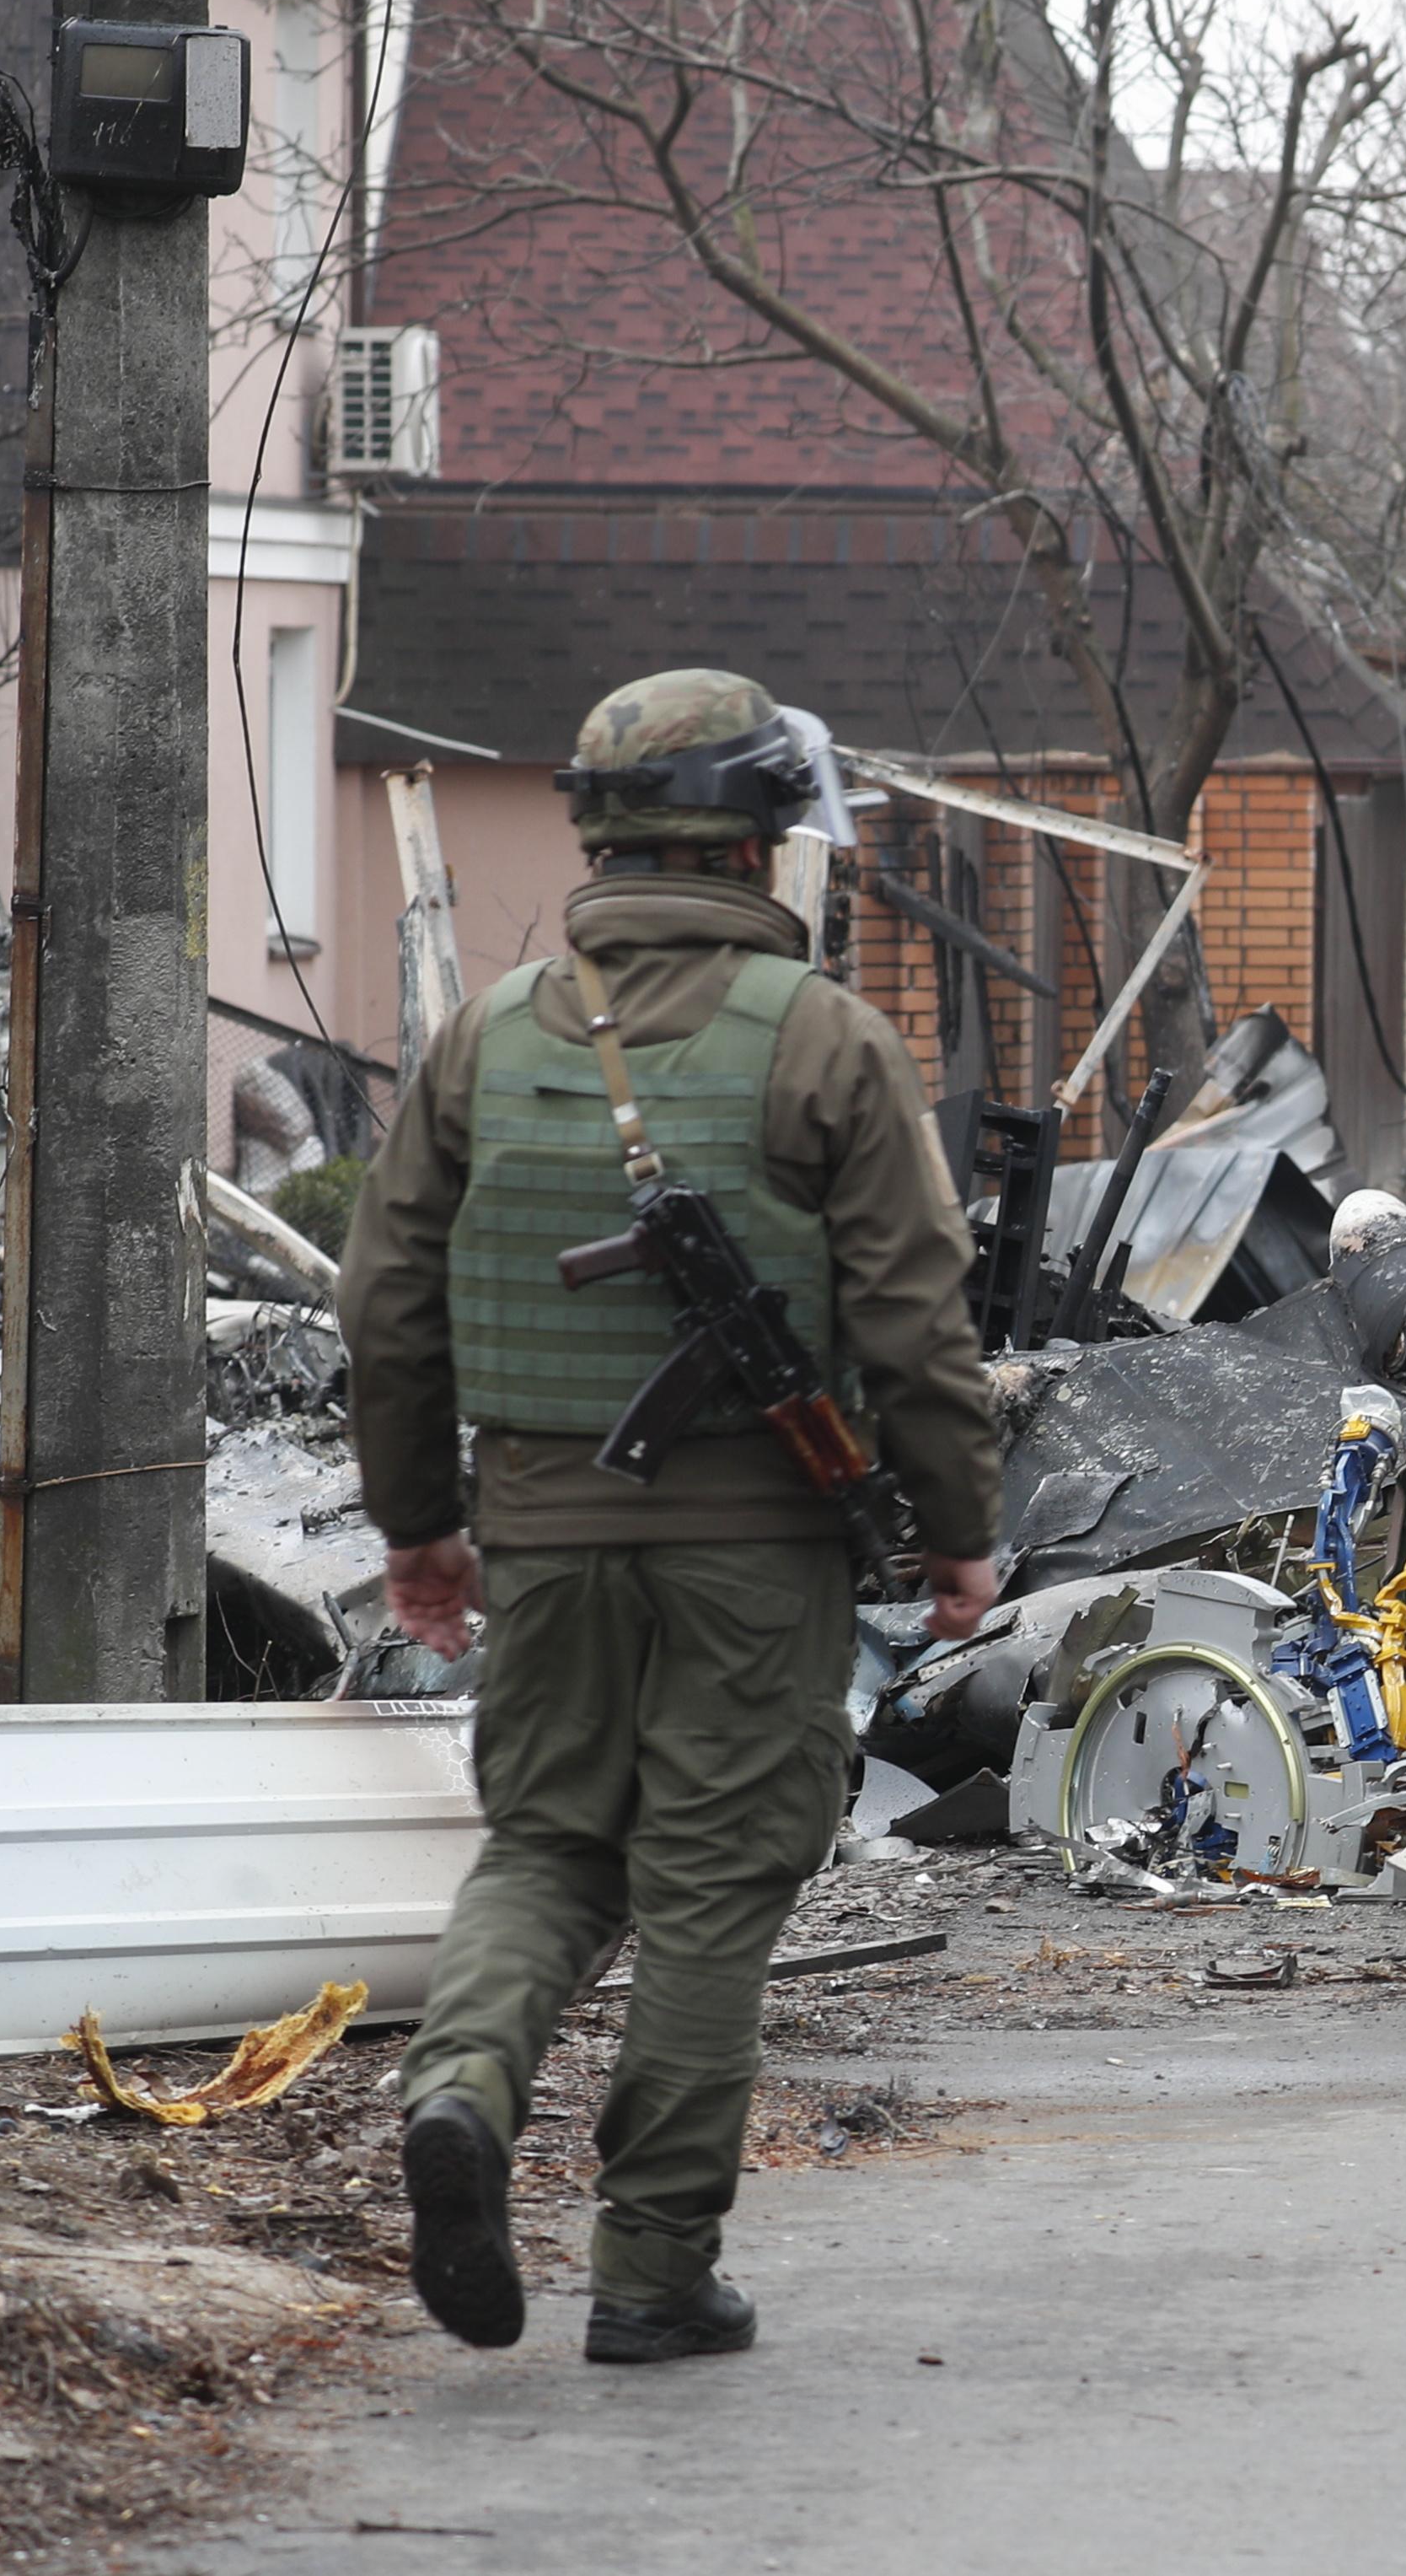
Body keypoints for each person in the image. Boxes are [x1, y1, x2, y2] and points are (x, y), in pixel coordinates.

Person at [341, 670, 1002, 2365]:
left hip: (542, 1534)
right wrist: (957, 1530)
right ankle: (647, 2270)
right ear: (761, 839)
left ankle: (464, 2094)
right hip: (759, 1547)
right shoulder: (826, 1037)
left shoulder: (484, 1036)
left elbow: (388, 1306)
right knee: (710, 1883)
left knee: (549, 1845)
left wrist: (420, 1524)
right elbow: (919, 1324)